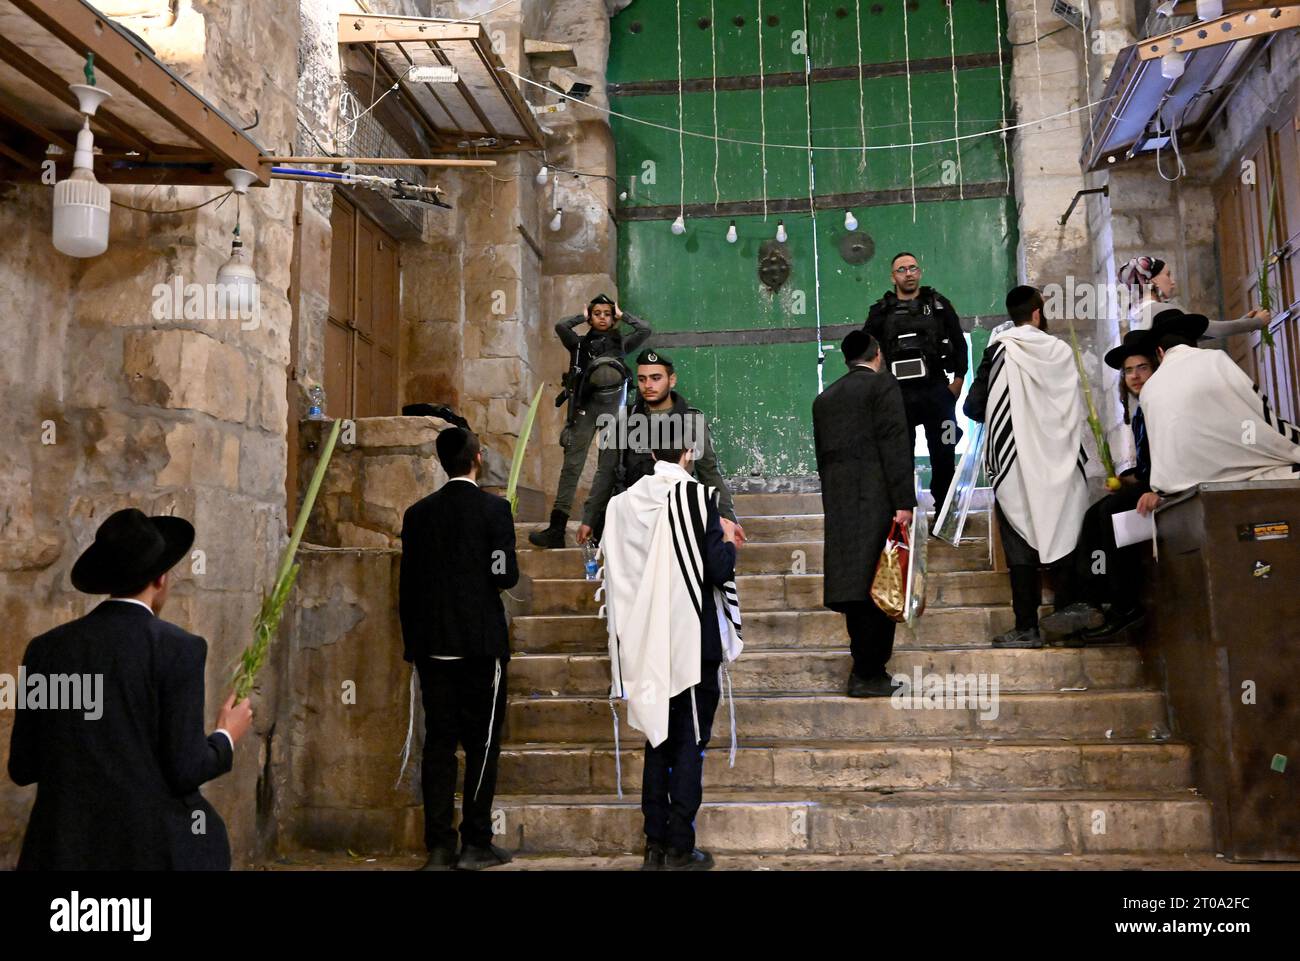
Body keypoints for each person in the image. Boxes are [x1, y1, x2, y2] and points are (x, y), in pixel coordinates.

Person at [8, 508, 252, 870]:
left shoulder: (46, 649)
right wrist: (225, 736)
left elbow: (23, 766)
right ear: (161, 579)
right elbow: (185, 769)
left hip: (62, 853)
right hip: (148, 854)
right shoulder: (179, 648)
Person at [600, 437, 741, 871]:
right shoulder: (699, 498)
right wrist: (728, 538)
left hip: (643, 643)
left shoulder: (619, 506)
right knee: (688, 745)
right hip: (690, 643)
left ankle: (653, 846)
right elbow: (718, 570)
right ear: (687, 454)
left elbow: (615, 571)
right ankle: (680, 847)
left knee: (656, 739)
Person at [399, 427, 519, 871]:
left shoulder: (418, 514)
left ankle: (438, 846)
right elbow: (505, 576)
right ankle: (476, 842)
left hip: (433, 647)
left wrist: (413, 644)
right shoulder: (495, 510)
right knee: (483, 743)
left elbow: (406, 586)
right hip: (480, 646)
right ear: (478, 458)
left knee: (439, 745)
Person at [963, 286, 1099, 648]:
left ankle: (1027, 627)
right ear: (1038, 313)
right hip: (1062, 460)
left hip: (1017, 464)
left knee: (1020, 545)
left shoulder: (1000, 350)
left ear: (1016, 315)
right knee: (1067, 532)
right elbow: (1075, 408)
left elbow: (974, 407)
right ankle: (1068, 620)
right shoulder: (1062, 352)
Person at [813, 330, 915, 696]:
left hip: (841, 504)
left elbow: (822, 459)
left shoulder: (824, 399)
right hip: (877, 499)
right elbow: (895, 443)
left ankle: (863, 667)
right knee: (881, 583)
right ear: (878, 353)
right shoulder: (883, 386)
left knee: (856, 588)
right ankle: (870, 672)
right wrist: (904, 501)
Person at [1045, 331, 1159, 641]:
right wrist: (1127, 480)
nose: (1134, 376)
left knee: (1109, 512)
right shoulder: (1138, 410)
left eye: (1142, 368)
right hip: (1150, 482)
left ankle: (1125, 606)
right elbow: (1149, 464)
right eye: (1128, 371)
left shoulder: (1161, 403)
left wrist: (1156, 490)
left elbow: (1175, 456)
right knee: (1092, 514)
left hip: (1165, 487)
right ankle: (1089, 600)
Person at [577, 349, 744, 548]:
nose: (648, 385)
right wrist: (589, 518)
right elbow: (605, 473)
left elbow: (709, 473)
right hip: (635, 519)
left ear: (671, 380)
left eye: (656, 378)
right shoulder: (622, 421)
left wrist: (728, 516)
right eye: (642, 379)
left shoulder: (692, 422)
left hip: (678, 516)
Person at [529, 295, 653, 548]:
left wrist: (623, 315)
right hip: (586, 408)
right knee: (571, 467)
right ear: (590, 316)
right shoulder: (578, 344)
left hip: (613, 411)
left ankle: (600, 527)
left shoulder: (620, 343)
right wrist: (581, 317)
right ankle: (557, 528)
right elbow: (562, 326)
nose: (602, 318)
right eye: (597, 313)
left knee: (609, 468)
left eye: (607, 313)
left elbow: (645, 329)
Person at [1139, 308, 1300, 493]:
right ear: (1194, 343)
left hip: (1176, 487)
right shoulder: (1214, 359)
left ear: (1160, 352)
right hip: (1236, 474)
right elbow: (1259, 411)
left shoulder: (1148, 389)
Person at [864, 252, 968, 515]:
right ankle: (902, 513)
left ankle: (945, 511)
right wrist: (877, 389)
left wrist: (958, 380)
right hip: (897, 395)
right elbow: (866, 352)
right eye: (902, 269)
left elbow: (959, 342)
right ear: (893, 276)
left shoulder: (939, 305)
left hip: (937, 392)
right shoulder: (880, 312)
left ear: (919, 272)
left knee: (944, 452)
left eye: (913, 268)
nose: (908, 273)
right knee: (899, 456)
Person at [1119, 255, 1270, 338]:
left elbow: (1194, 334)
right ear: (1152, 280)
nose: (1172, 281)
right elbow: (1212, 329)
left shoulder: (1137, 315)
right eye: (1167, 275)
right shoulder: (1160, 310)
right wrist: (1257, 322)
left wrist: (1243, 321)